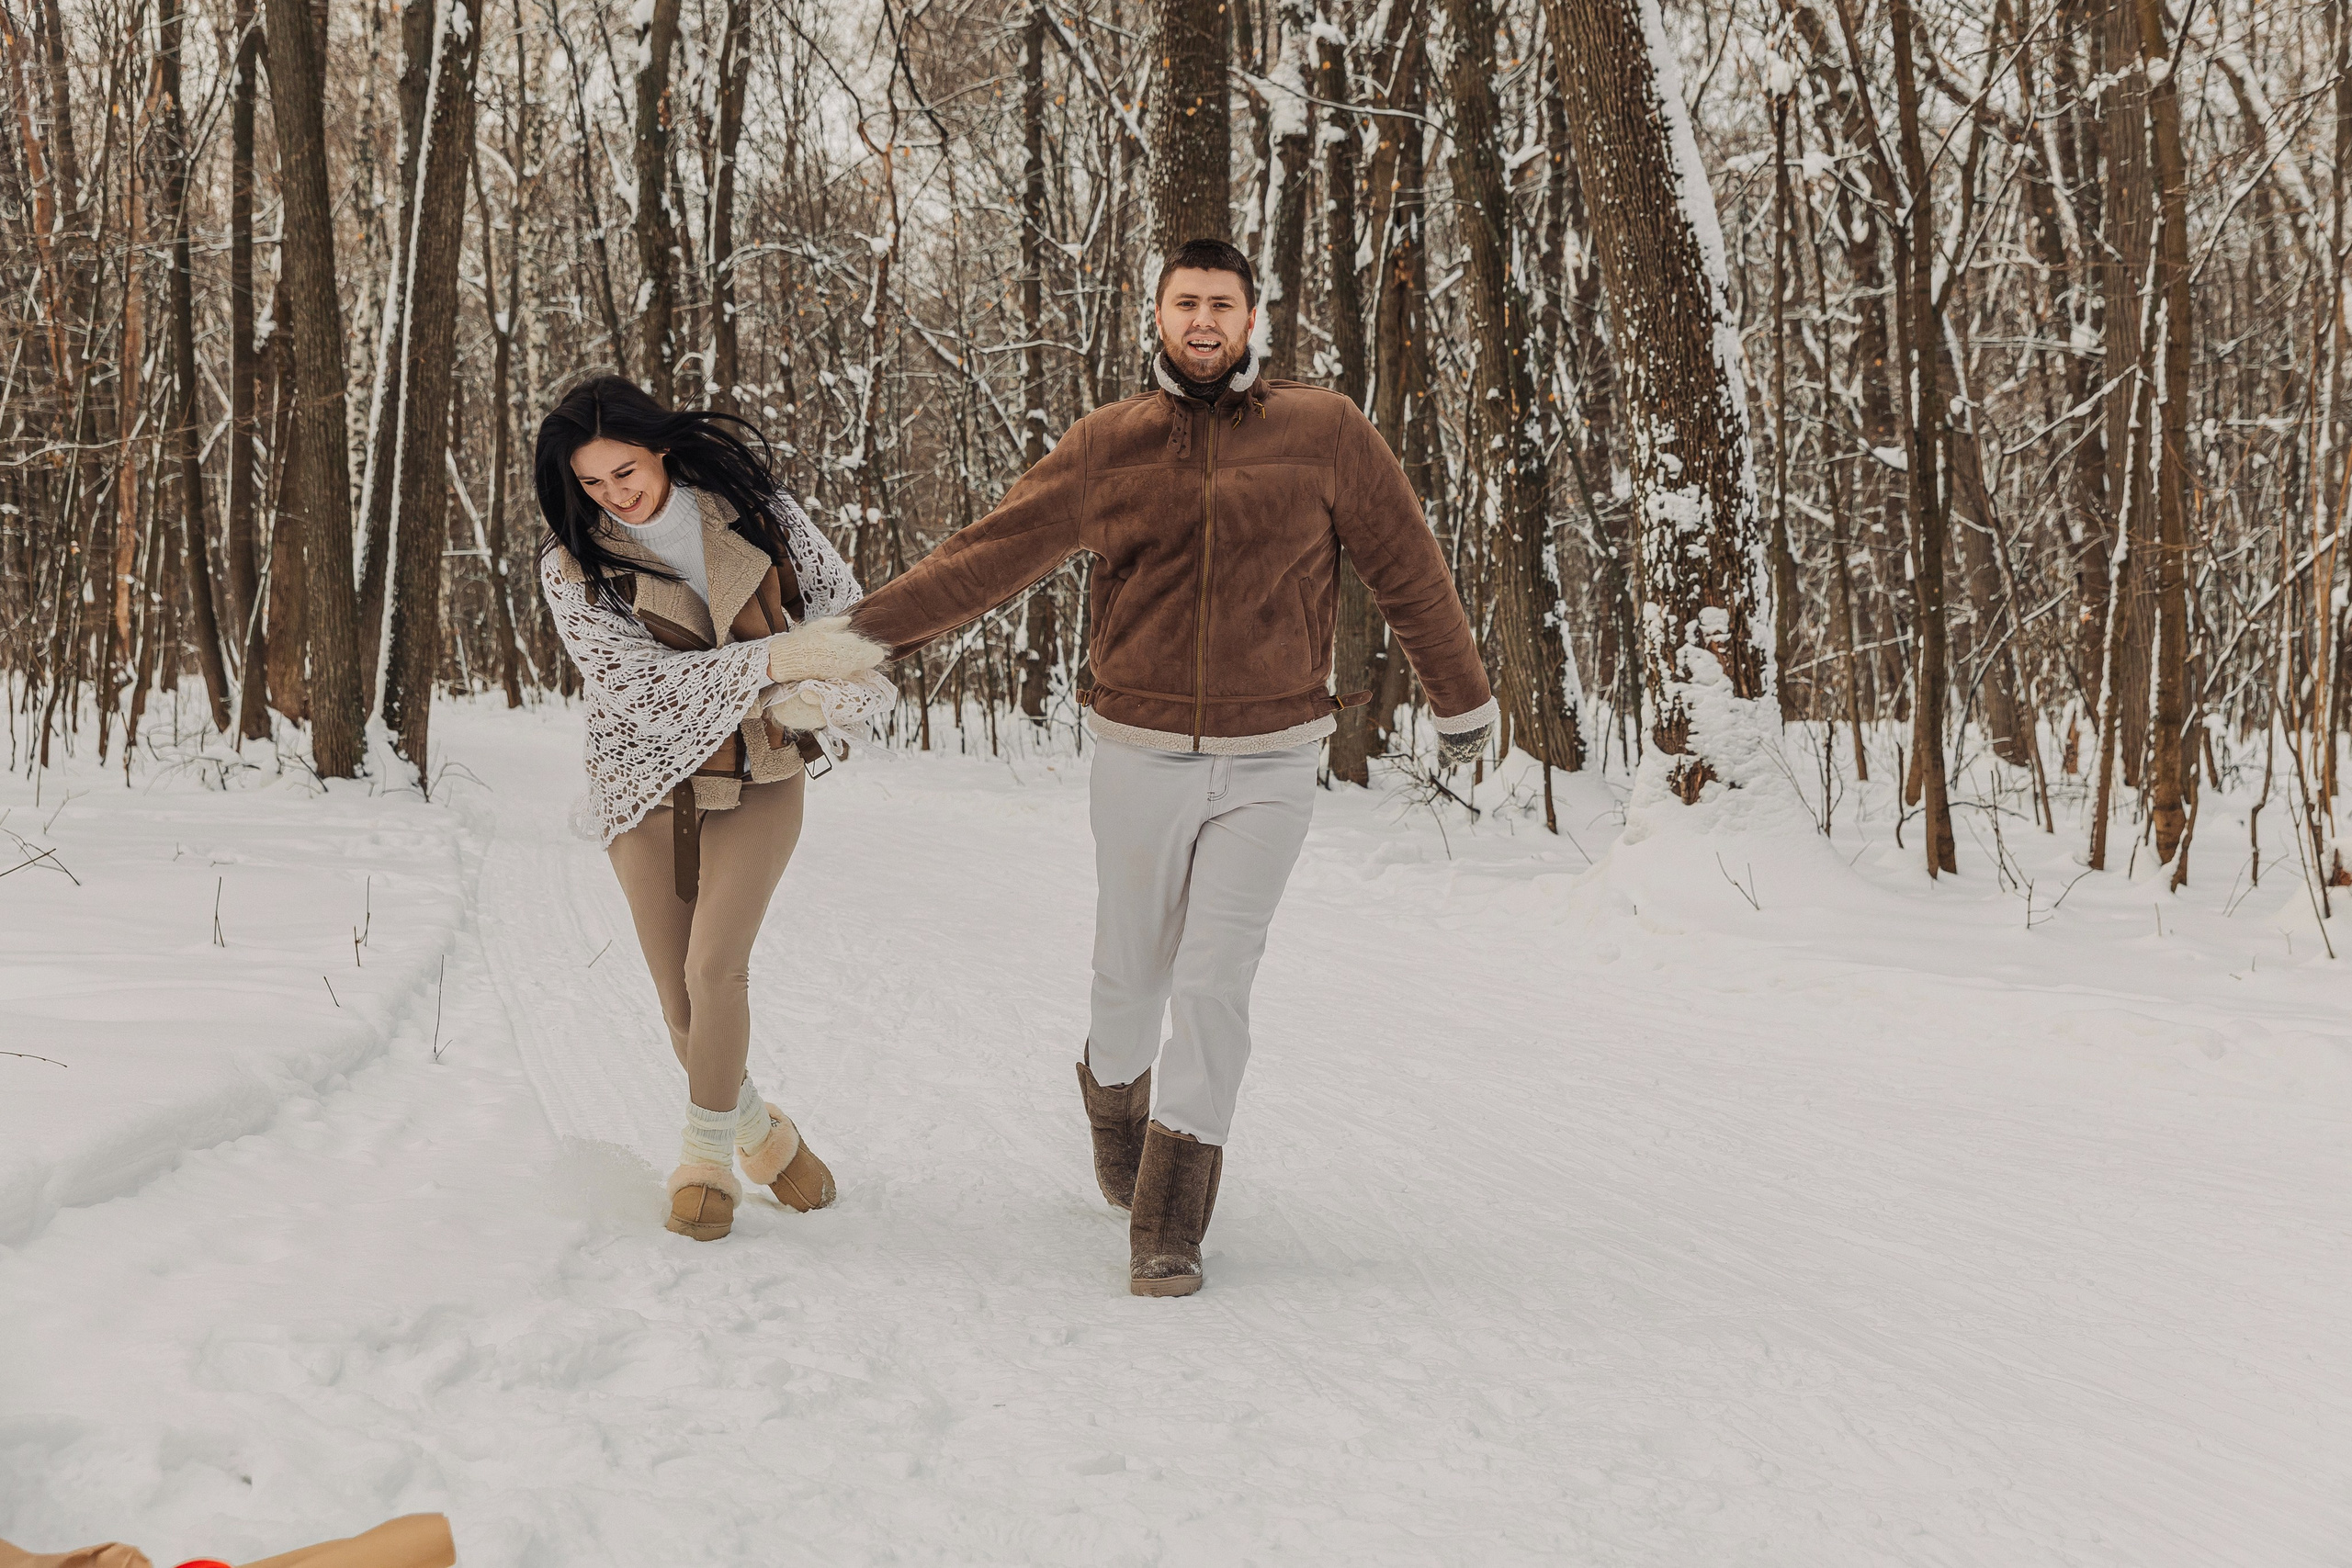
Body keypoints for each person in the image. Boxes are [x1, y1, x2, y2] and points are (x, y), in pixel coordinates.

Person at [849, 239, 1497, 1297]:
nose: (1204, 320)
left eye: (1222, 304)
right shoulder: (1109, 447)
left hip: (1274, 759)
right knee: (1129, 979)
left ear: (1253, 319)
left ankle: (1170, 1219)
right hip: (1140, 755)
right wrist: (855, 643)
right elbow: (984, 557)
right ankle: (1117, 1109)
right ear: (1156, 315)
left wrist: (1459, 695)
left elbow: (1406, 559)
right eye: (1185, 302)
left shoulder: (1324, 433)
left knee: (1212, 985)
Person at [534, 376, 892, 1241]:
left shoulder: (753, 505)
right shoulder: (570, 566)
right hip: (644, 777)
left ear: (657, 445)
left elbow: (847, 613)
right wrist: (779, 663)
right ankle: (765, 1137)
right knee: (677, 1000)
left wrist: (822, 685)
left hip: (761, 766)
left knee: (713, 969)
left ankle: (704, 1159)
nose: (616, 494)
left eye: (626, 470)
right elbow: (643, 689)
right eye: (592, 483)